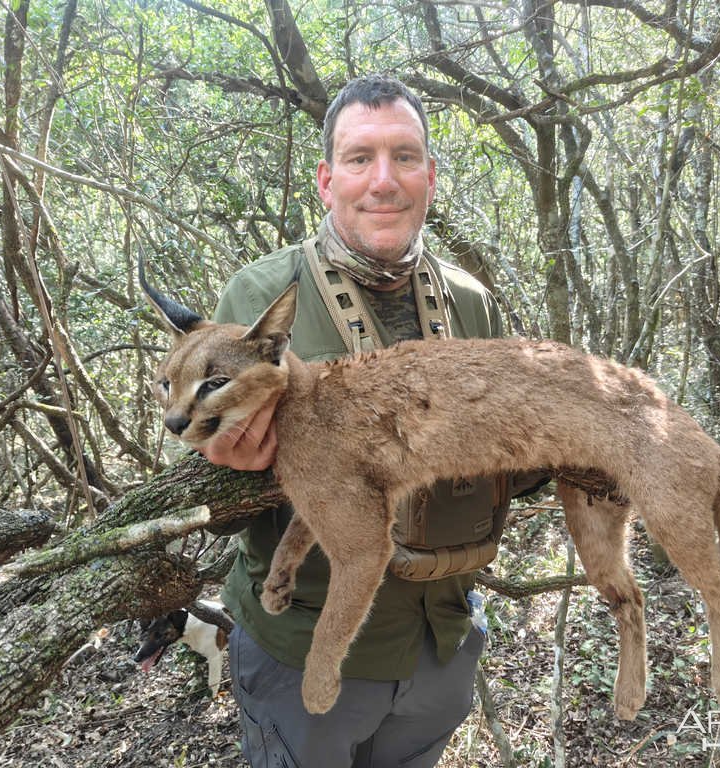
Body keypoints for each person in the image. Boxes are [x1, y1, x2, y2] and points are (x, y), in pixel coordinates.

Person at [206, 74, 511, 768]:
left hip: (444, 639)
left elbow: (507, 464)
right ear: (325, 179)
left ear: (430, 177)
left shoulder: (472, 304)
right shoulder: (259, 298)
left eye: (405, 157)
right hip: (304, 651)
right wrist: (227, 460)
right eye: (359, 158)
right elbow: (208, 472)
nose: (384, 180)